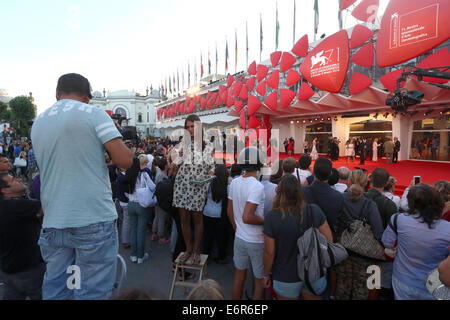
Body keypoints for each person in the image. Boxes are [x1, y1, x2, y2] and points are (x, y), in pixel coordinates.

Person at [31, 73, 134, 300]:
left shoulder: (39, 121)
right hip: (93, 219)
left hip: (54, 222)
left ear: (57, 94)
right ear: (87, 97)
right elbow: (126, 160)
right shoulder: (95, 114)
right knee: (92, 293)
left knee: (58, 290)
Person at [263, 175, 333, 300]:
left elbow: (269, 252)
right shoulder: (314, 211)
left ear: (279, 193)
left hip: (285, 275)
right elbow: (329, 241)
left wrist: (266, 274)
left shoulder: (272, 217)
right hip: (314, 273)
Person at [382, 184, 450, 300]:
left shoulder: (399, 219)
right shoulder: (447, 228)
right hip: (434, 284)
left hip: (403, 280)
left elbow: (386, 242)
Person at [171, 114, 215, 266]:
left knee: (197, 218)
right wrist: (178, 157)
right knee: (184, 218)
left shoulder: (207, 144)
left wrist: (210, 173)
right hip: (182, 183)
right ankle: (188, 249)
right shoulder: (183, 143)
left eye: (192, 126)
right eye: (187, 127)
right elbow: (174, 165)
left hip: (197, 185)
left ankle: (196, 250)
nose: (190, 129)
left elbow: (211, 165)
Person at [335, 169, 384, 300]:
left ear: (349, 181)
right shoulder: (369, 204)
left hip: (342, 247)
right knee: (361, 289)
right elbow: (378, 231)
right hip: (362, 252)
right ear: (366, 184)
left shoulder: (339, 198)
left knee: (342, 285)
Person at [228, 147, 266, 300]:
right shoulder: (257, 186)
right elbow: (248, 217)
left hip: (240, 238)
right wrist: (266, 221)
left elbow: (230, 212)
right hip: (256, 240)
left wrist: (238, 230)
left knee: (239, 278)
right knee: (259, 282)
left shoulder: (235, 182)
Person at [0, 172, 45, 300]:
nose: (19, 179)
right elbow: (44, 207)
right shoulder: (12, 206)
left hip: (9, 271)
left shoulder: (10, 205)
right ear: (5, 190)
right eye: (14, 180)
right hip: (30, 270)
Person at [123, 154, 156, 264]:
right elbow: (153, 187)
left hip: (131, 204)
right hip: (141, 204)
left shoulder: (128, 174)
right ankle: (140, 256)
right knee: (141, 231)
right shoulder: (144, 174)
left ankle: (133, 255)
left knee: (133, 229)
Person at [303, 157, 344, 235]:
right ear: (330, 173)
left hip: (304, 236)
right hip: (327, 237)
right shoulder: (338, 196)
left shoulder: (302, 191)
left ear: (313, 172)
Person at [202, 164, 230, 264]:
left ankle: (205, 257)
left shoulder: (209, 184)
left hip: (207, 212)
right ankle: (221, 256)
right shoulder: (227, 187)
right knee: (220, 237)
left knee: (207, 236)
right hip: (219, 215)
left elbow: (204, 195)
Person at [152, 157, 170, 244]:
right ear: (166, 166)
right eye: (168, 163)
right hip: (161, 199)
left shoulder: (159, 174)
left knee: (157, 216)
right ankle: (161, 237)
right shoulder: (162, 176)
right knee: (161, 218)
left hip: (157, 198)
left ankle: (154, 233)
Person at [116, 167, 130, 248]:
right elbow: (126, 191)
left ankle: (126, 240)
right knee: (126, 222)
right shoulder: (122, 177)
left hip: (122, 201)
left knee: (126, 221)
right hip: (125, 202)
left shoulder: (121, 176)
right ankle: (125, 241)